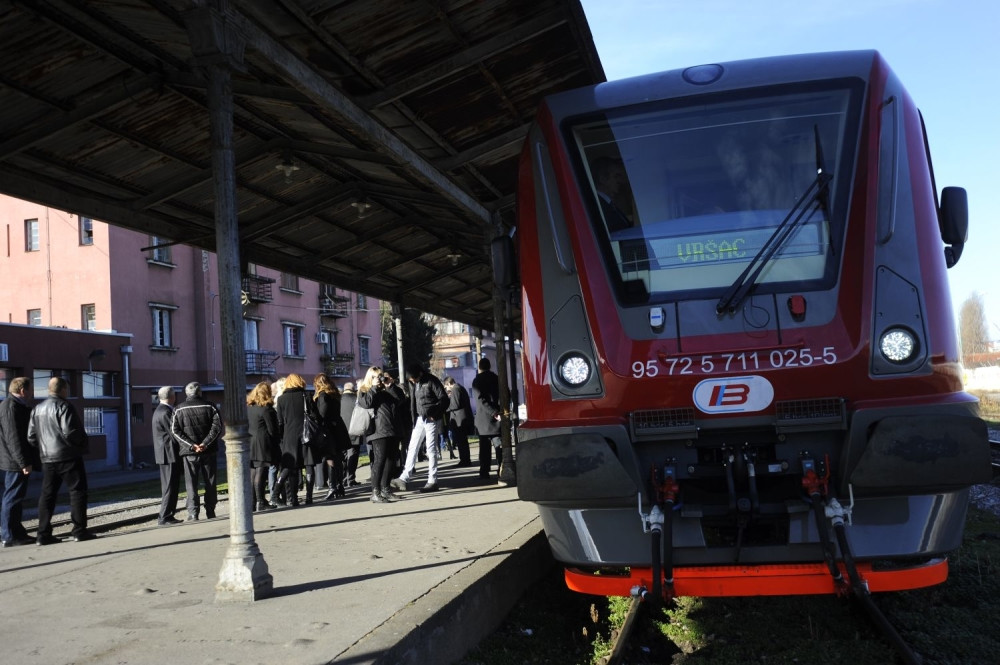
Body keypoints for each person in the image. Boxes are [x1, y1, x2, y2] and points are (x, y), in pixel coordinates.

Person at [28, 376, 95, 544]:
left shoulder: (37, 409)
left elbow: (31, 437)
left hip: (47, 458)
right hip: (68, 456)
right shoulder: (65, 406)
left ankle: (42, 534)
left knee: (47, 495)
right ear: (63, 389)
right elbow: (71, 432)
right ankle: (79, 531)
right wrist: (83, 443)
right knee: (78, 492)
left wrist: (43, 447)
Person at [391, 363, 449, 493]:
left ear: (420, 374)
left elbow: (444, 399)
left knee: (431, 448)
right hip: (419, 419)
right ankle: (404, 478)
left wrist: (435, 413)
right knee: (412, 446)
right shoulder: (414, 383)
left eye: (413, 378)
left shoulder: (431, 381)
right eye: (410, 379)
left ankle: (432, 481)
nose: (412, 381)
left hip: (430, 418)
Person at [171, 382, 222, 521]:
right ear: (200, 392)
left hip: (189, 453)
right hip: (209, 451)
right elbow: (217, 427)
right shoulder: (210, 406)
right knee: (210, 481)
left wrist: (192, 446)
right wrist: (205, 444)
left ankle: (193, 513)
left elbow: (175, 431)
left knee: (191, 483)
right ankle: (210, 511)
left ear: (187, 393)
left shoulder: (178, 409)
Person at [357, 367, 403, 503]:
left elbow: (401, 400)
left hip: (392, 429)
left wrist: (391, 386)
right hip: (377, 431)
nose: (380, 379)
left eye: (381, 376)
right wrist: (373, 388)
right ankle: (375, 492)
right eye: (376, 377)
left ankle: (386, 489)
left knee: (391, 461)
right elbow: (366, 403)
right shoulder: (364, 390)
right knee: (379, 461)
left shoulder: (387, 390)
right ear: (370, 378)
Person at [0, 377, 36, 547]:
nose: (32, 393)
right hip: (14, 462)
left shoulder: (15, 406)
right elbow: (13, 438)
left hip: (12, 460)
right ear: (23, 390)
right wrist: (23, 462)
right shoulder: (11, 407)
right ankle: (9, 535)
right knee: (12, 497)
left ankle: (17, 532)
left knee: (15, 498)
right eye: (30, 389)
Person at [275, 373, 315, 507]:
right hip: (306, 435)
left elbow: (279, 421)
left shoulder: (281, 399)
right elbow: (314, 415)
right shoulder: (306, 396)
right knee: (309, 465)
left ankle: (293, 498)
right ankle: (309, 496)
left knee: (291, 467)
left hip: (289, 436)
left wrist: (281, 438)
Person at [313, 374, 348, 502]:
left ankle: (332, 487)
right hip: (338, 429)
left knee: (330, 458)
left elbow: (322, 414)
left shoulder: (323, 396)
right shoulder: (334, 394)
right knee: (337, 459)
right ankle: (339, 486)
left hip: (329, 432)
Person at [246, 382, 279, 511]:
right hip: (262, 443)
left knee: (252, 473)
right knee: (261, 472)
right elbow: (272, 430)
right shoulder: (267, 409)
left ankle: (252, 502)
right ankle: (261, 501)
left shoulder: (249, 408)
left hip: (250, 442)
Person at [152, 386, 182, 525]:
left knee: (171, 484)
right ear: (172, 397)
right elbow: (174, 433)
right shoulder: (165, 412)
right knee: (170, 485)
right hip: (168, 454)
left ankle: (168, 515)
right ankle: (164, 516)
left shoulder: (160, 410)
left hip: (166, 453)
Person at [472, 357, 502, 480]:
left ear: (480, 367)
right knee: (498, 445)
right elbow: (506, 394)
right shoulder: (497, 378)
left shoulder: (477, 380)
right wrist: (497, 412)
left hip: (483, 419)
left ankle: (484, 471)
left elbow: (480, 400)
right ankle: (502, 468)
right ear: (489, 366)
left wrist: (491, 412)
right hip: (497, 417)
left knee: (484, 449)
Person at [443, 376, 473, 467]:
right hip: (462, 417)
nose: (446, 388)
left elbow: (455, 405)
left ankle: (464, 460)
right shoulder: (460, 388)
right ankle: (465, 460)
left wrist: (445, 409)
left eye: (446, 386)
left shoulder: (455, 389)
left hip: (459, 419)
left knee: (461, 441)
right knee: (463, 441)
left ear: (449, 383)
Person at [340, 382, 363, 488]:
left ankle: (343, 479)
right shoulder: (356, 400)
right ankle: (351, 479)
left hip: (342, 432)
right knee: (353, 456)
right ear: (353, 390)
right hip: (355, 431)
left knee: (343, 457)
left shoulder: (338, 399)